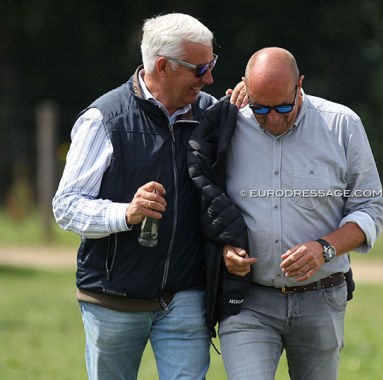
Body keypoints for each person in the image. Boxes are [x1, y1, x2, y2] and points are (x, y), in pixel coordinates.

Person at [52, 13, 246, 380]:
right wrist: (127, 213)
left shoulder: (211, 113)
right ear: (163, 66)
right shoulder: (104, 118)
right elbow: (66, 206)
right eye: (200, 68)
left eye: (212, 65)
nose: (210, 78)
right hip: (113, 296)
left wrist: (246, 107)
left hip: (187, 295)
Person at [188, 47, 383, 379]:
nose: (274, 119)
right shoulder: (228, 123)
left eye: (283, 106)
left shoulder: (342, 124)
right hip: (248, 301)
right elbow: (205, 200)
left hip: (321, 298)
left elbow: (370, 208)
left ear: (300, 85)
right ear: (246, 90)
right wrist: (225, 249)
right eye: (261, 108)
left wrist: (324, 248)